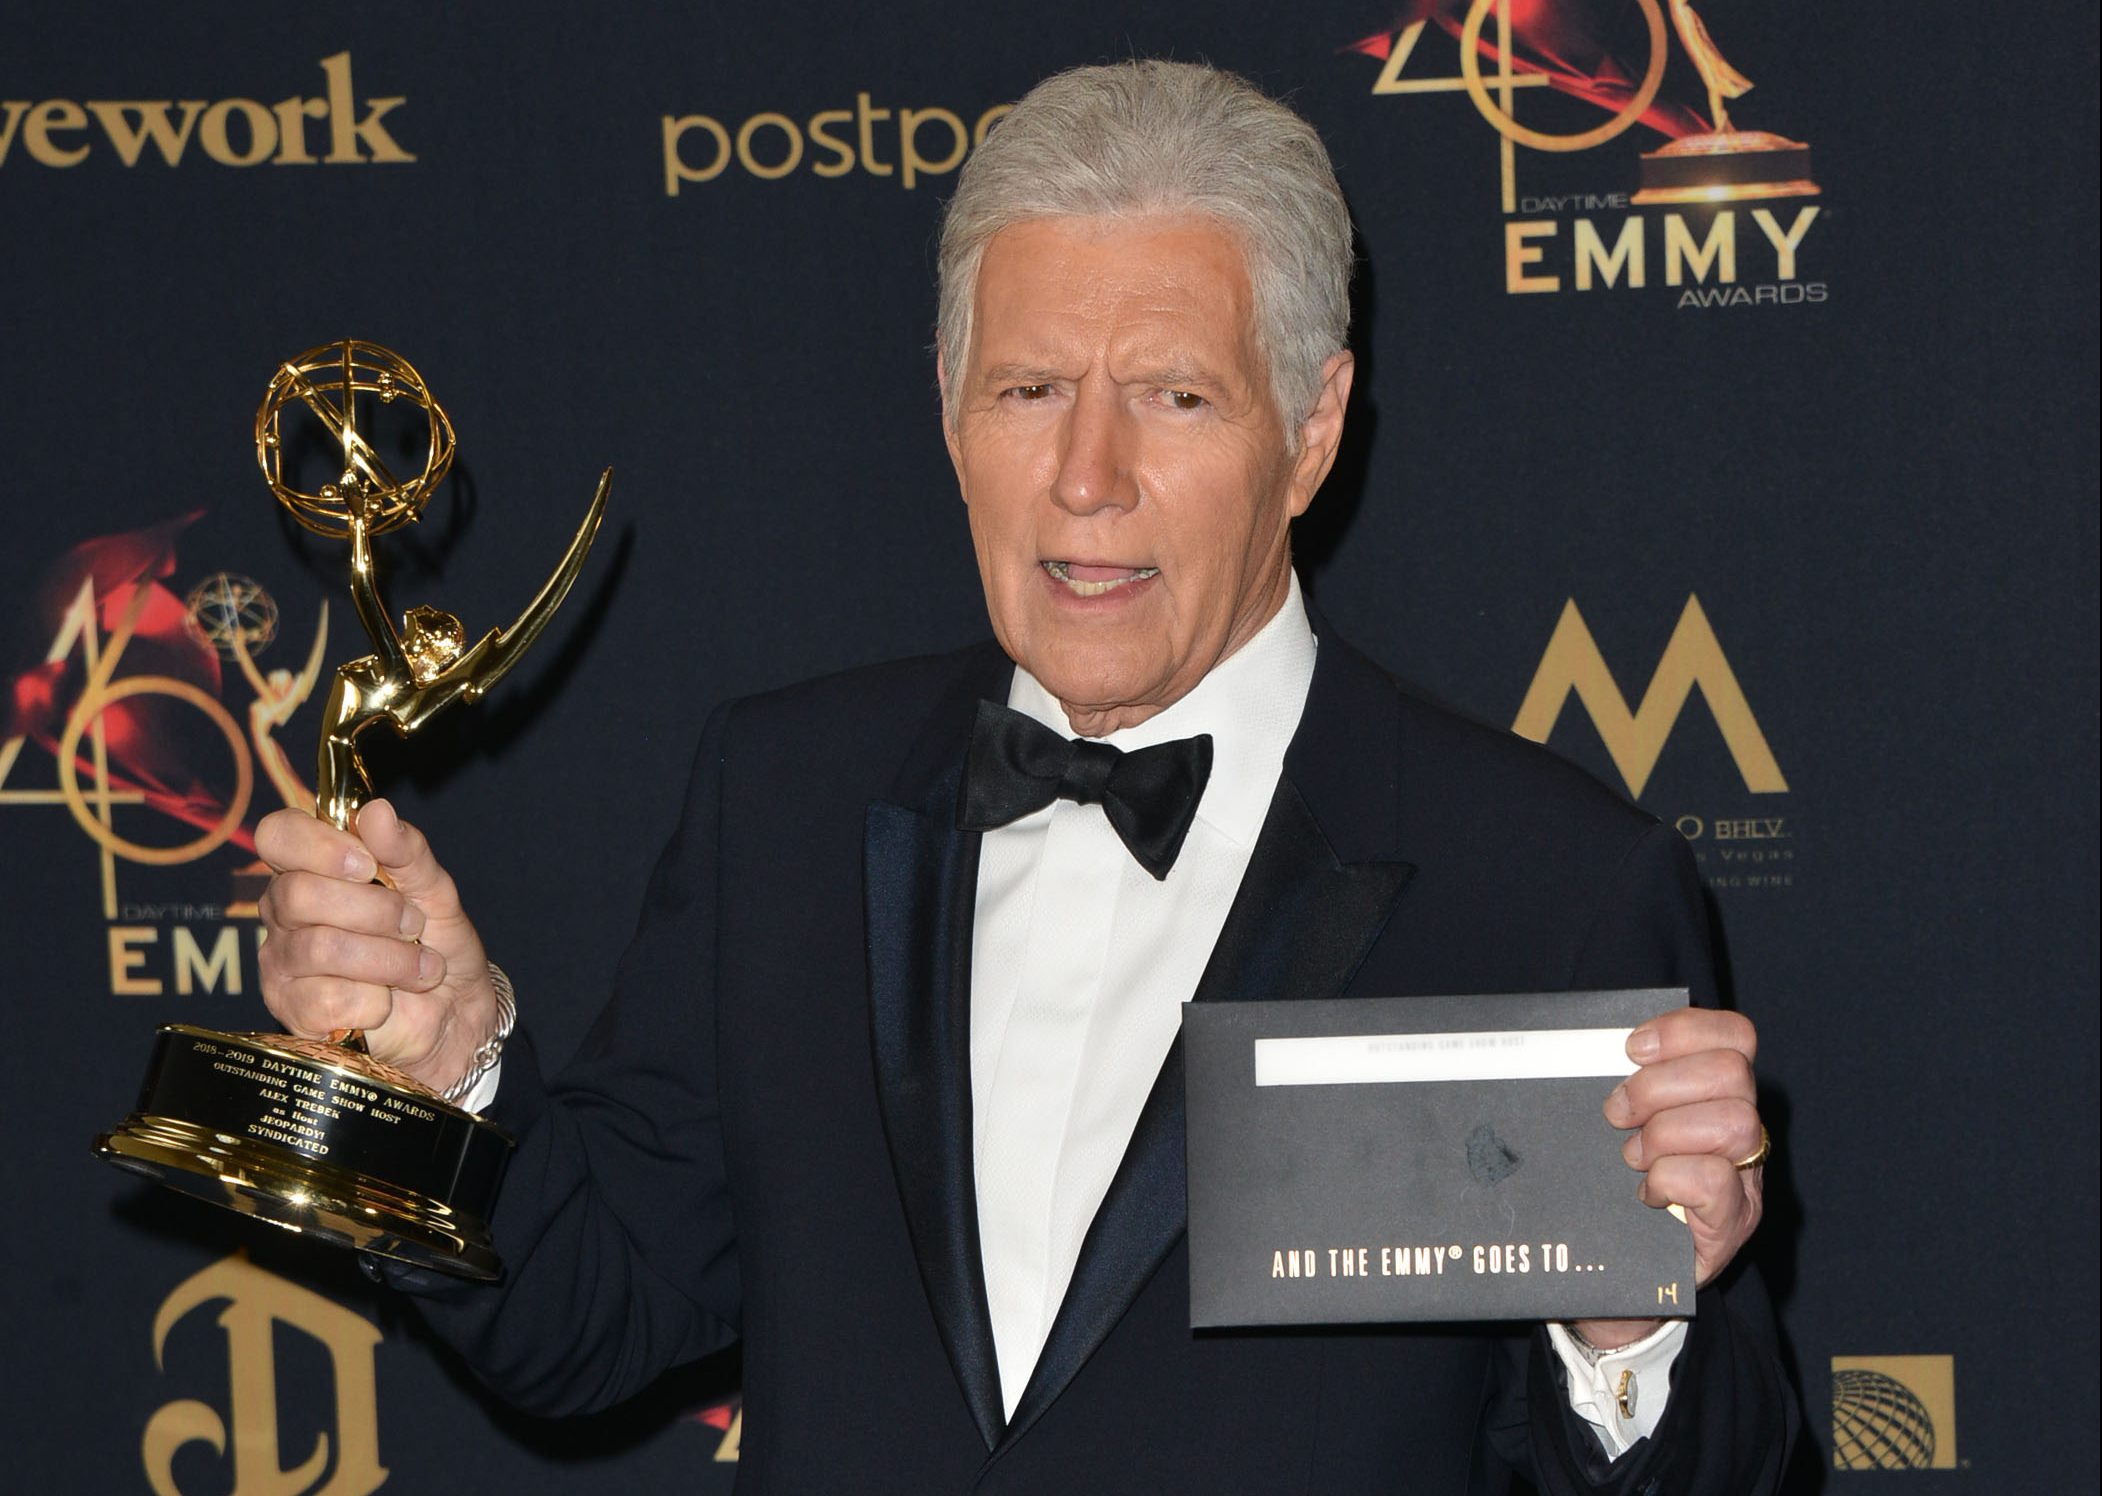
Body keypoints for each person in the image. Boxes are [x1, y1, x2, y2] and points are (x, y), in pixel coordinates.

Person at [256, 59, 1795, 1493]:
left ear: (1310, 428)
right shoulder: (780, 799)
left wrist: (1625, 1325)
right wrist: (450, 1072)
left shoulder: (1550, 885)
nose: (1086, 477)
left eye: (1174, 397)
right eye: (1028, 389)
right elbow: (589, 1320)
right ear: (945, 403)